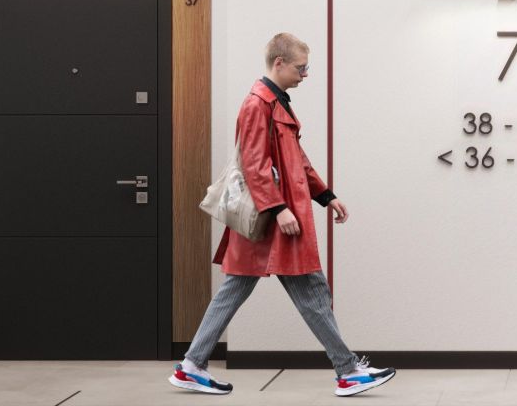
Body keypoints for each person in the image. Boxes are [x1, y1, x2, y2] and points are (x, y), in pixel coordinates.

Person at [168, 33, 394, 397]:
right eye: (301, 68)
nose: (305, 74)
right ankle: (348, 370)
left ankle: (192, 365)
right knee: (309, 291)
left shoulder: (275, 103)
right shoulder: (257, 104)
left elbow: (296, 161)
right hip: (275, 220)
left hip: (272, 220)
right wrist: (279, 209)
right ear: (279, 63)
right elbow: (254, 164)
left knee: (241, 291)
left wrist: (326, 195)